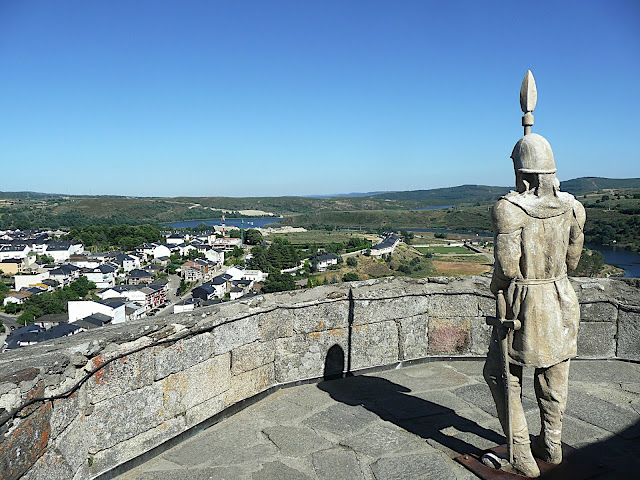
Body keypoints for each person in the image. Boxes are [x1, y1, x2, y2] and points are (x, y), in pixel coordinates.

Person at [483, 73, 585, 478]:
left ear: (521, 171)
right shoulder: (574, 207)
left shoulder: (509, 209)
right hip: (562, 298)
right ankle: (553, 443)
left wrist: (497, 289)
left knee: (501, 375)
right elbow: (573, 263)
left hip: (525, 303)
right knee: (554, 374)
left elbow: (507, 268)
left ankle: (522, 454)